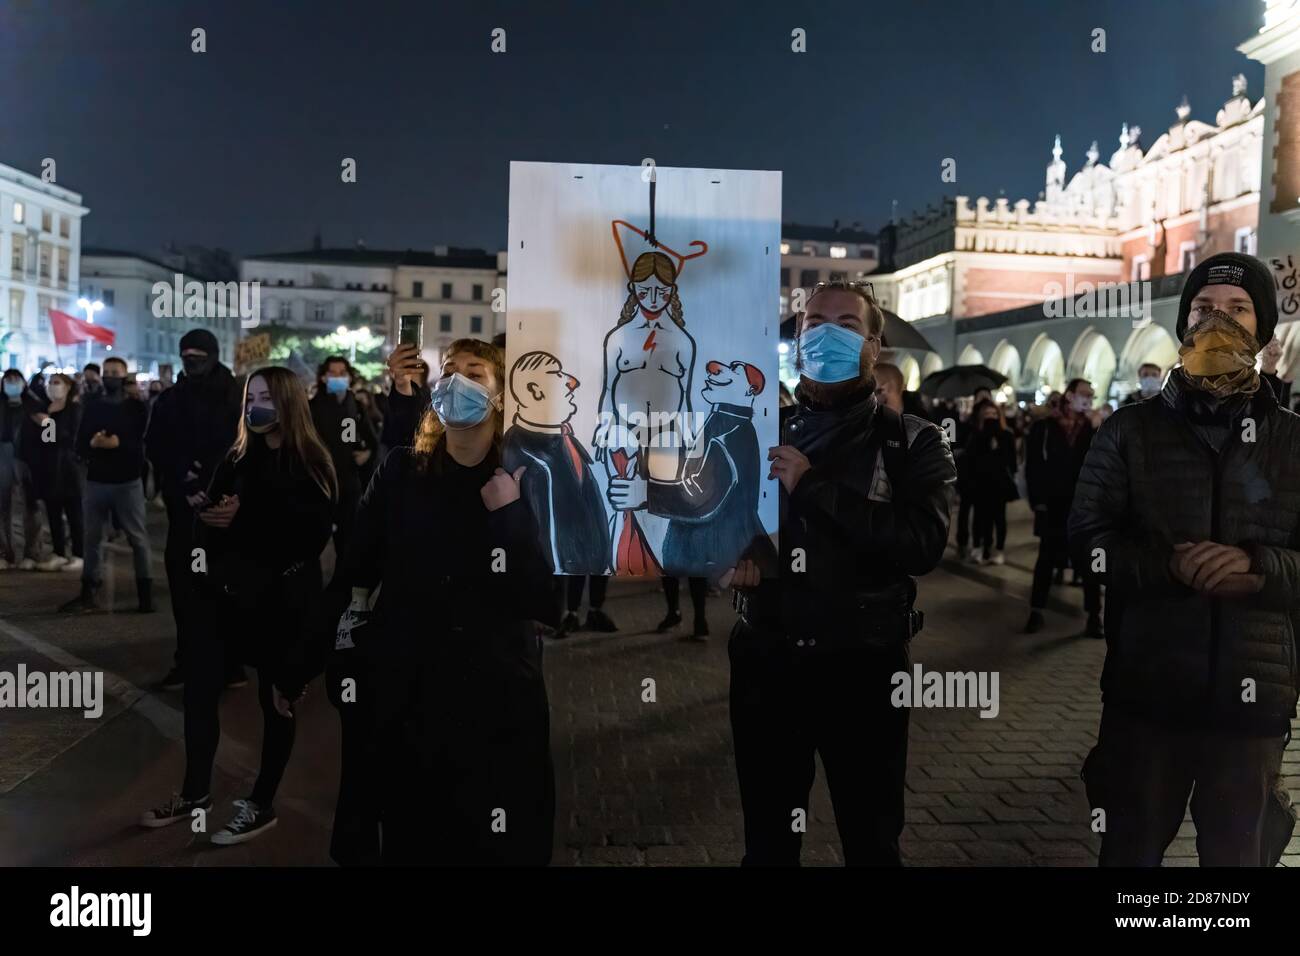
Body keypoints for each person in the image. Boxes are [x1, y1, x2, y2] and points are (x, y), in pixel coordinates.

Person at [1071, 251, 1300, 867]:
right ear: (1182, 324)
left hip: (1253, 704)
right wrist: (1166, 566)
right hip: (1148, 694)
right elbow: (1086, 545)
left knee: (1236, 861)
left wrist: (1260, 569)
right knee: (1132, 855)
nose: (1216, 322)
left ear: (1263, 331)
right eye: (1202, 309)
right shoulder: (1129, 431)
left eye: (1236, 310)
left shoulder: (1293, 440)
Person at [727, 280, 956, 866]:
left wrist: (814, 487)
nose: (827, 334)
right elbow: (718, 521)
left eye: (847, 325)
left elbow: (921, 544)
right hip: (768, 659)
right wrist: (729, 561)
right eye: (814, 323)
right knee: (768, 841)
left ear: (873, 347)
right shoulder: (755, 429)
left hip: (865, 664)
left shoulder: (912, 441)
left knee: (872, 838)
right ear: (797, 340)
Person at [327, 337, 558, 866]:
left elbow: (543, 597)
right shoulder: (403, 472)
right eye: (448, 371)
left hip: (497, 695)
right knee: (413, 833)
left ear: (502, 397)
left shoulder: (527, 481)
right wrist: (325, 653)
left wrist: (509, 517)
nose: (457, 382)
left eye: (475, 373)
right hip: (410, 691)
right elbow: (357, 567)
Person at [140, 367, 337, 843]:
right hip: (224, 598)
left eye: (267, 397)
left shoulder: (310, 462)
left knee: (278, 703)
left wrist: (244, 519)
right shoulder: (237, 456)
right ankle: (195, 793)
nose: (256, 406)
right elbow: (212, 523)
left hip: (281, 604)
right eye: (252, 397)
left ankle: (261, 801)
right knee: (200, 691)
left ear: (289, 401)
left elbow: (307, 538)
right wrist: (209, 516)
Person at [146, 329, 243, 689]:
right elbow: (155, 444)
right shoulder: (171, 399)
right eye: (186, 353)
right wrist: (182, 480)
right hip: (184, 514)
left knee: (225, 590)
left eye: (199, 354)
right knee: (186, 592)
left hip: (225, 513)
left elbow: (241, 447)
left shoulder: (236, 397)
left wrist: (214, 485)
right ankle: (187, 661)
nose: (192, 359)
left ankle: (231, 661)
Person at [61, 357, 153, 613]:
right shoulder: (94, 406)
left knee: (138, 539)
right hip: (97, 481)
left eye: (116, 372)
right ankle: (88, 592)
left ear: (125, 376)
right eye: (107, 372)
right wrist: (92, 445)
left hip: (127, 482)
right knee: (92, 539)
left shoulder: (136, 408)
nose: (111, 376)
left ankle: (145, 596)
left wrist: (117, 444)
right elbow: (79, 443)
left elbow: (141, 444)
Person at [1023, 377, 1100, 637]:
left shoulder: (1092, 428)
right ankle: (1036, 610)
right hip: (1053, 503)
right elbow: (1033, 466)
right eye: (1083, 394)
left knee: (1089, 560)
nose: (1088, 399)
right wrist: (1038, 501)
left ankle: (1094, 616)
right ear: (1069, 396)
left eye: (1091, 395)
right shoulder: (1045, 427)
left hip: (1084, 506)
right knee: (1046, 557)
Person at [310, 355, 377, 560]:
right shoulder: (312, 407)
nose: (338, 377)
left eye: (342, 373)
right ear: (323, 377)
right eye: (333, 373)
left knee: (347, 541)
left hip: (349, 483)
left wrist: (366, 454)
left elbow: (372, 440)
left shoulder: (355, 405)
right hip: (320, 483)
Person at [30, 373, 84, 572]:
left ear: (68, 387)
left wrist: (48, 421)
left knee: (74, 515)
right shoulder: (47, 409)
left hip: (69, 469)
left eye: (57, 382)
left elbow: (66, 438)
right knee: (53, 513)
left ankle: (79, 553)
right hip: (50, 469)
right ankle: (59, 552)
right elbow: (46, 441)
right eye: (50, 383)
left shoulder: (74, 409)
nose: (53, 386)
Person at [964, 399, 1017, 565]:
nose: (990, 417)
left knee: (998, 518)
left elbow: (1011, 461)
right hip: (980, 483)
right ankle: (979, 547)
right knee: (980, 517)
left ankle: (998, 549)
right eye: (987, 414)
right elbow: (970, 459)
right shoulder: (976, 435)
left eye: (994, 414)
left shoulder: (1006, 435)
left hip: (999, 483)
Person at [0, 369, 41, 570]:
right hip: (3, 457)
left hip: (28, 458)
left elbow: (51, 433)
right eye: (8, 379)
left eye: (16, 379)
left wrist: (48, 442)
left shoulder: (34, 404)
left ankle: (31, 553)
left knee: (30, 507)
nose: (12, 382)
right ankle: (5, 552)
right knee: (3, 508)